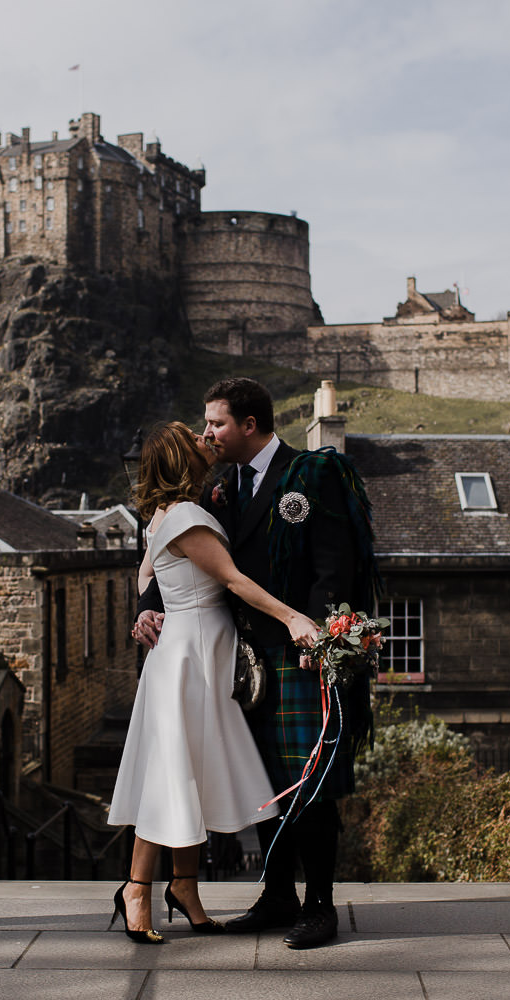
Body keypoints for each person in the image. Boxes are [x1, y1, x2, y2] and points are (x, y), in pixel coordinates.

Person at [134, 377, 377, 950]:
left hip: (300, 650)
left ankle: (319, 905)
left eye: (216, 423)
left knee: (307, 782)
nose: (207, 433)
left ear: (249, 425)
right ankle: (276, 897)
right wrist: (147, 608)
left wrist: (318, 635)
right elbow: (172, 557)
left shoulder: (313, 473)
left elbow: (333, 565)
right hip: (239, 660)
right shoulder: (219, 491)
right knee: (261, 778)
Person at [107, 421, 320, 944]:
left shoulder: (163, 516)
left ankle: (185, 887)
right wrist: (294, 618)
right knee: (169, 774)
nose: (207, 441)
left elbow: (144, 575)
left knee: (188, 772)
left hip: (189, 651)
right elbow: (234, 580)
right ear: (183, 459)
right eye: (195, 438)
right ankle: (136, 888)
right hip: (192, 655)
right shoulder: (185, 517)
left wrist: (150, 609)